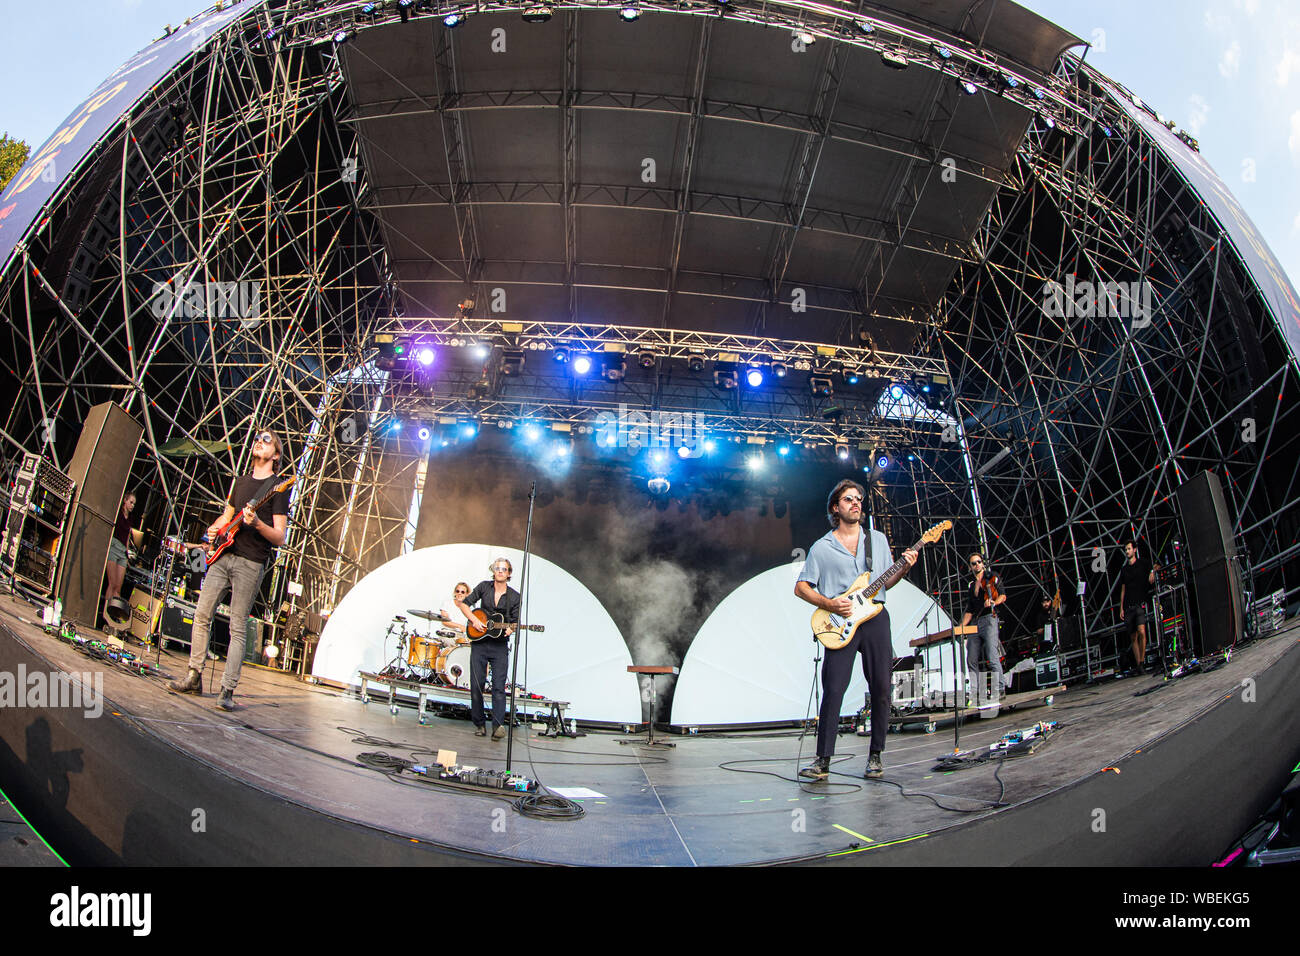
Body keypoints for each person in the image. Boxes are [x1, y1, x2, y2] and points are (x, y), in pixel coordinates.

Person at [795, 480, 917, 781]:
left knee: (882, 686)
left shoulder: (876, 539)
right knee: (834, 689)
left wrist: (904, 567)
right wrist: (829, 604)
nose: (856, 503)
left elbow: (885, 582)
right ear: (835, 507)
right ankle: (823, 761)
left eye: (859, 499)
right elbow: (801, 588)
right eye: (849, 499)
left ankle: (875, 756)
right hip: (840, 623)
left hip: (875, 617)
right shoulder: (822, 548)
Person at [169, 430, 290, 710]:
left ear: (275, 455)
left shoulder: (278, 488)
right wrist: (215, 528)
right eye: (258, 438)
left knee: (237, 627)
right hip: (224, 555)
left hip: (251, 562)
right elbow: (227, 515)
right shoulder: (240, 482)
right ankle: (194, 675)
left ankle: (227, 690)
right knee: (201, 614)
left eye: (267, 440)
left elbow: (280, 536)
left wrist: (257, 524)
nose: (259, 441)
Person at [455, 559, 519, 740]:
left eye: (504, 569)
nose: (500, 571)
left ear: (508, 573)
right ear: (493, 571)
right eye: (497, 568)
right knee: (476, 685)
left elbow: (515, 621)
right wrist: (474, 620)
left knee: (499, 687)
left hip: (499, 647)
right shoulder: (484, 587)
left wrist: (510, 628)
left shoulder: (514, 596)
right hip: (480, 642)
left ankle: (498, 726)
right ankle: (480, 724)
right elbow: (465, 604)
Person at [958, 553, 1006, 703]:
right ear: (970, 567)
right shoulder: (971, 585)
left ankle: (1000, 688)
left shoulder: (992, 577)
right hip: (975, 622)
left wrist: (993, 603)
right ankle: (976, 692)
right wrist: (960, 627)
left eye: (979, 562)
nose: (977, 565)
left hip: (989, 619)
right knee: (971, 658)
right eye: (973, 563)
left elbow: (1003, 596)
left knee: (992, 656)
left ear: (983, 563)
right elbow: (970, 610)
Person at [104, 491, 142, 625]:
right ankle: (106, 613)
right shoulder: (118, 514)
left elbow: (127, 537)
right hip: (113, 546)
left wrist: (127, 552)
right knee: (112, 583)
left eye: (134, 504)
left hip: (122, 551)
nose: (132, 506)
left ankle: (114, 615)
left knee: (118, 587)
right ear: (125, 501)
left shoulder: (130, 518)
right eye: (131, 502)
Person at [1120, 539, 1157, 674]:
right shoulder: (1124, 570)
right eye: (1126, 550)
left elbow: (1156, 565)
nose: (1127, 552)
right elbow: (1123, 589)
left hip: (1139, 604)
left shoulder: (1143, 563)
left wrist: (1152, 572)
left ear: (1134, 550)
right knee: (1133, 636)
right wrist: (1121, 608)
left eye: (1129, 549)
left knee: (1142, 632)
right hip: (1128, 605)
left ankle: (1141, 660)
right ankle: (1139, 665)